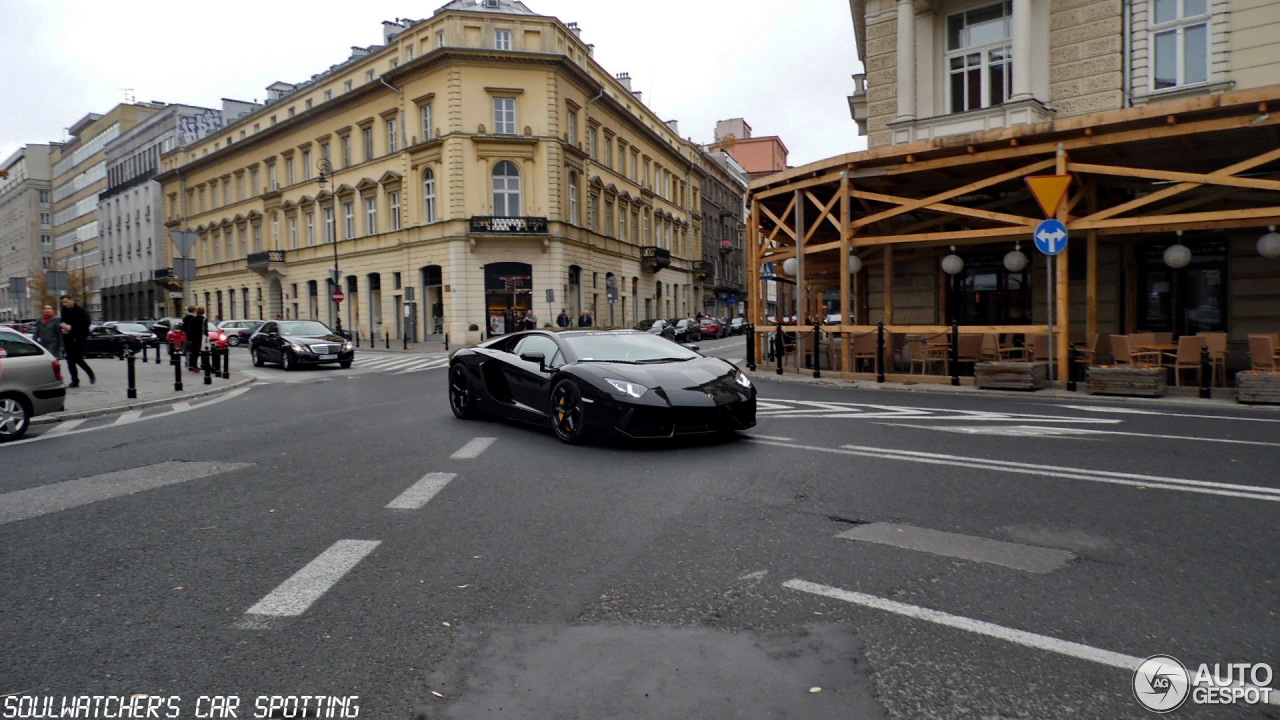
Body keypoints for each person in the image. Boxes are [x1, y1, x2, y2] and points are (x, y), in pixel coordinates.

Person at [59, 295, 95, 387]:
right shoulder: (64, 310)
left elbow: (86, 323)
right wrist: (63, 327)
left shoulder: (81, 311)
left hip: (80, 338)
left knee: (78, 358)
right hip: (68, 338)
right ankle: (74, 381)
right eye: (63, 302)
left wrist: (72, 327)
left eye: (66, 302)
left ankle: (90, 373)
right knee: (70, 361)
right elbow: (62, 321)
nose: (65, 304)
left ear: (72, 300)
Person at [182, 306, 207, 373]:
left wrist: (189, 336)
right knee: (203, 352)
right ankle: (203, 365)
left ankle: (191, 365)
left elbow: (188, 328)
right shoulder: (203, 319)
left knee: (193, 352)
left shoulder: (191, 319)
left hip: (193, 338)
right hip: (200, 338)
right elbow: (205, 330)